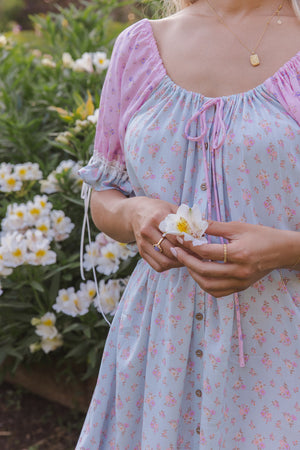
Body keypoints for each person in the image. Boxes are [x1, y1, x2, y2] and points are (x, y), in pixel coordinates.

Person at [76, 0, 300, 448]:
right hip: (159, 348)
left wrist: (285, 250)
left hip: (282, 350)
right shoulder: (139, 46)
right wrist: (133, 213)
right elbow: (103, 194)